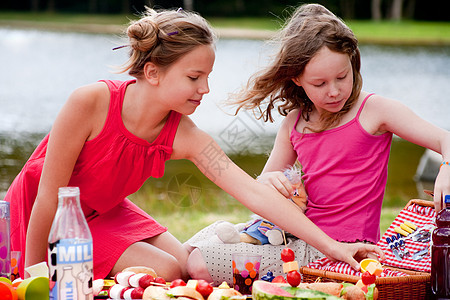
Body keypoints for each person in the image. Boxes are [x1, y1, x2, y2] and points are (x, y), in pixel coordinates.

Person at [5, 7, 383, 282]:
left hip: (105, 210)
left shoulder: (182, 133)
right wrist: (32, 278)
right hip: (50, 212)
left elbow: (252, 192)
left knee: (185, 262)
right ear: (152, 72)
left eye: (208, 76)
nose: (205, 89)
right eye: (194, 77)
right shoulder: (89, 103)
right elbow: (48, 198)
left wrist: (334, 247)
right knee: (167, 270)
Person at [186, 3, 450, 284]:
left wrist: (446, 165)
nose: (334, 91)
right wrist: (271, 180)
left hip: (338, 251)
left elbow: (445, 139)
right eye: (320, 83)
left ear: (353, 62)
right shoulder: (294, 122)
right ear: (297, 79)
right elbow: (261, 189)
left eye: (342, 77)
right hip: (292, 237)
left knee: (199, 263)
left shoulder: (375, 111)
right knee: (190, 247)